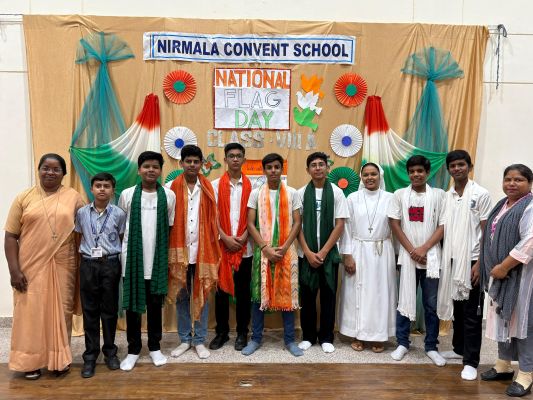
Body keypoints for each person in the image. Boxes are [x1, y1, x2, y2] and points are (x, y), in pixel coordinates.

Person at [4, 153, 84, 379]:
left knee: (62, 312)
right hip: (29, 265)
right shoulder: (24, 197)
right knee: (30, 312)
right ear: (38, 170)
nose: (50, 172)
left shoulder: (73, 197)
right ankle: (30, 361)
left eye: (56, 169)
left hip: (64, 263)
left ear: (63, 174)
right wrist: (14, 271)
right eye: (45, 168)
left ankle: (59, 359)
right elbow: (10, 236)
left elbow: (85, 230)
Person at [437, 150, 492, 381]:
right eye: (453, 165)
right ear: (448, 169)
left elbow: (487, 231)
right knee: (457, 309)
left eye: (461, 164)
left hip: (472, 260)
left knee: (471, 313)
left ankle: (471, 362)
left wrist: (480, 263)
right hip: (451, 259)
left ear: (469, 166)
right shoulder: (447, 195)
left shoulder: (481, 194)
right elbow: (443, 227)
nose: (457, 169)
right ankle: (459, 349)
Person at [119, 151, 176, 371]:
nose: (150, 170)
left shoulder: (169, 196)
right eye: (146, 166)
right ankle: (133, 350)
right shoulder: (127, 195)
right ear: (139, 169)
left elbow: (170, 227)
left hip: (157, 261)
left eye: (155, 166)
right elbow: (121, 228)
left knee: (154, 307)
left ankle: (154, 347)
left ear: (160, 170)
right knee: (133, 309)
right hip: (132, 261)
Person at [480, 164, 533, 397]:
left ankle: (526, 373)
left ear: (529, 183)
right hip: (500, 275)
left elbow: (530, 241)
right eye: (508, 179)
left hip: (522, 276)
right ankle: (504, 364)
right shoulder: (502, 204)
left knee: (524, 324)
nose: (512, 183)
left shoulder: (530, 206)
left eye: (518, 179)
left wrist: (504, 266)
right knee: (504, 317)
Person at [242, 153, 303, 357]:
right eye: (269, 167)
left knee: (287, 296)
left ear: (281, 169)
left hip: (287, 250)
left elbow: (297, 222)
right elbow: (250, 223)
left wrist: (284, 247)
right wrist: (265, 248)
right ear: (264, 170)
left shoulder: (292, 193)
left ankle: (290, 340)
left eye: (277, 167)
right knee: (258, 295)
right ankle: (256, 338)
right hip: (263, 251)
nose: (273, 171)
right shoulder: (256, 193)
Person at [388, 155, 446, 366]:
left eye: (420, 171)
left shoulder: (439, 195)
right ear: (408, 173)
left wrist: (424, 248)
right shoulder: (399, 195)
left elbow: (443, 225)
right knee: (404, 299)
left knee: (431, 304)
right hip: (407, 256)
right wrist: (412, 250)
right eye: (412, 171)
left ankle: (431, 346)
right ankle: (402, 343)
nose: (416, 174)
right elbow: (394, 224)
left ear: (427, 172)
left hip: (431, 258)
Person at [168, 145, 221, 360]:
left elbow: (215, 219)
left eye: (196, 161)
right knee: (182, 297)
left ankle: (199, 340)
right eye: (188, 161)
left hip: (203, 251)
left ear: (201, 164)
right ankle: (184, 339)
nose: (192, 165)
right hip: (179, 253)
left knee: (203, 296)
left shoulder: (209, 188)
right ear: (181, 163)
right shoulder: (170, 188)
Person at [338, 162, 396, 353]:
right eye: (366, 175)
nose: (370, 178)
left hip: (382, 251)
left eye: (373, 174)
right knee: (356, 294)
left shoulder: (390, 198)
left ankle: (378, 335)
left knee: (379, 294)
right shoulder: (353, 198)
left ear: (380, 176)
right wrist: (347, 255)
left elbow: (396, 227)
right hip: (358, 249)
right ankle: (357, 334)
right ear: (361, 177)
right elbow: (346, 228)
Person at [75, 173, 127, 378]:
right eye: (98, 185)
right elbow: (79, 235)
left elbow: (121, 237)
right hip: (88, 264)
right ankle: (90, 356)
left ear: (113, 190)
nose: (102, 189)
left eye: (106, 186)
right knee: (90, 311)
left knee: (109, 310)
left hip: (110, 264)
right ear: (92, 189)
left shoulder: (119, 214)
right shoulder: (81, 213)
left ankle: (110, 352)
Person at [297, 152, 348, 353]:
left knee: (328, 295)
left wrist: (324, 252)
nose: (318, 168)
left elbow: (340, 224)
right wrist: (308, 252)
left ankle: (327, 336)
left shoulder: (336, 192)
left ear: (327, 168)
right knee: (307, 297)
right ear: (307, 169)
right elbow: (297, 225)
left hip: (329, 254)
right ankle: (308, 336)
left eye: (321, 164)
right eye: (313, 165)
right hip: (306, 254)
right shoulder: (301, 193)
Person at [209, 143, 253, 351]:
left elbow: (255, 216)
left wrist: (244, 236)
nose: (235, 159)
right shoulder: (215, 185)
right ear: (225, 159)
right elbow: (212, 216)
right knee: (221, 293)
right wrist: (224, 237)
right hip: (221, 247)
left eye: (239, 156)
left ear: (244, 159)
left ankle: (242, 332)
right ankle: (222, 332)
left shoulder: (254, 186)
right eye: (231, 156)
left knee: (243, 293)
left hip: (246, 247)